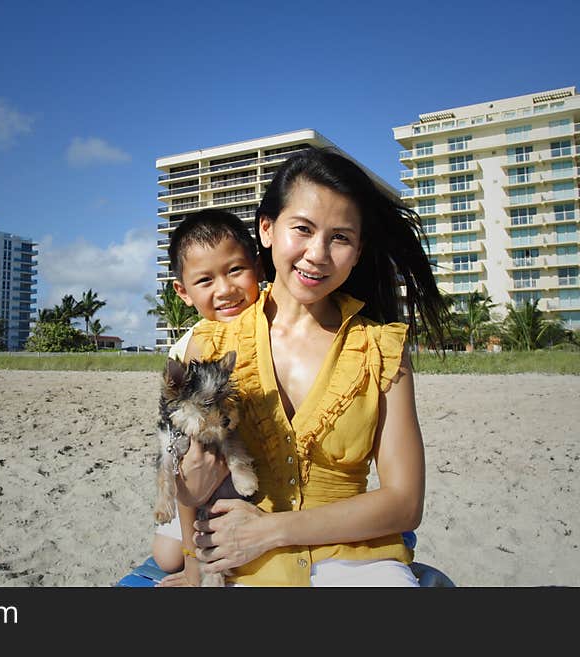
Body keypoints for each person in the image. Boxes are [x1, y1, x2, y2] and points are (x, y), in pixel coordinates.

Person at [169, 147, 449, 586]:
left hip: (362, 564)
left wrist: (270, 530)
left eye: (340, 238)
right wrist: (190, 563)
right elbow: (189, 474)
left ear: (357, 252)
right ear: (267, 229)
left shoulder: (382, 348)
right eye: (302, 229)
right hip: (240, 565)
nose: (317, 254)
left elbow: (405, 502)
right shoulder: (209, 345)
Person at [150, 208, 261, 580]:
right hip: (194, 478)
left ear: (257, 268)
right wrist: (190, 559)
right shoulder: (187, 351)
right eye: (205, 280)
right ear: (182, 291)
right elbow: (183, 456)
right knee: (168, 556)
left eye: (235, 270)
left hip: (234, 471)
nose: (225, 289)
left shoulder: (267, 325)